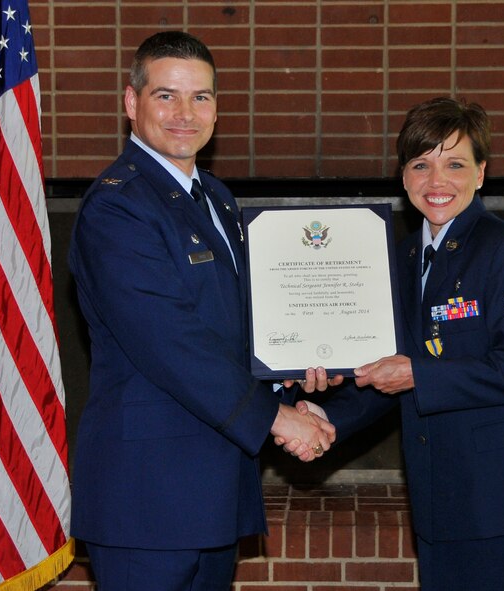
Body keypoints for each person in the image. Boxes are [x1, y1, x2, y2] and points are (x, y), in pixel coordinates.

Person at [68, 31, 335, 591]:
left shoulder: (215, 197)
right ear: (131, 102)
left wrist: (292, 370)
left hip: (213, 488)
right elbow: (170, 341)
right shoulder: (118, 206)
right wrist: (276, 419)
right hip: (147, 496)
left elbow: (233, 327)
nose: (185, 114)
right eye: (166, 95)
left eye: (201, 97)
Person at [284, 97, 504, 590]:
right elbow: (382, 371)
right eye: (421, 165)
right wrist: (327, 416)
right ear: (404, 177)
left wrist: (418, 373)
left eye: (455, 164)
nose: (437, 182)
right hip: (438, 500)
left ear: (480, 173)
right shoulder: (397, 257)